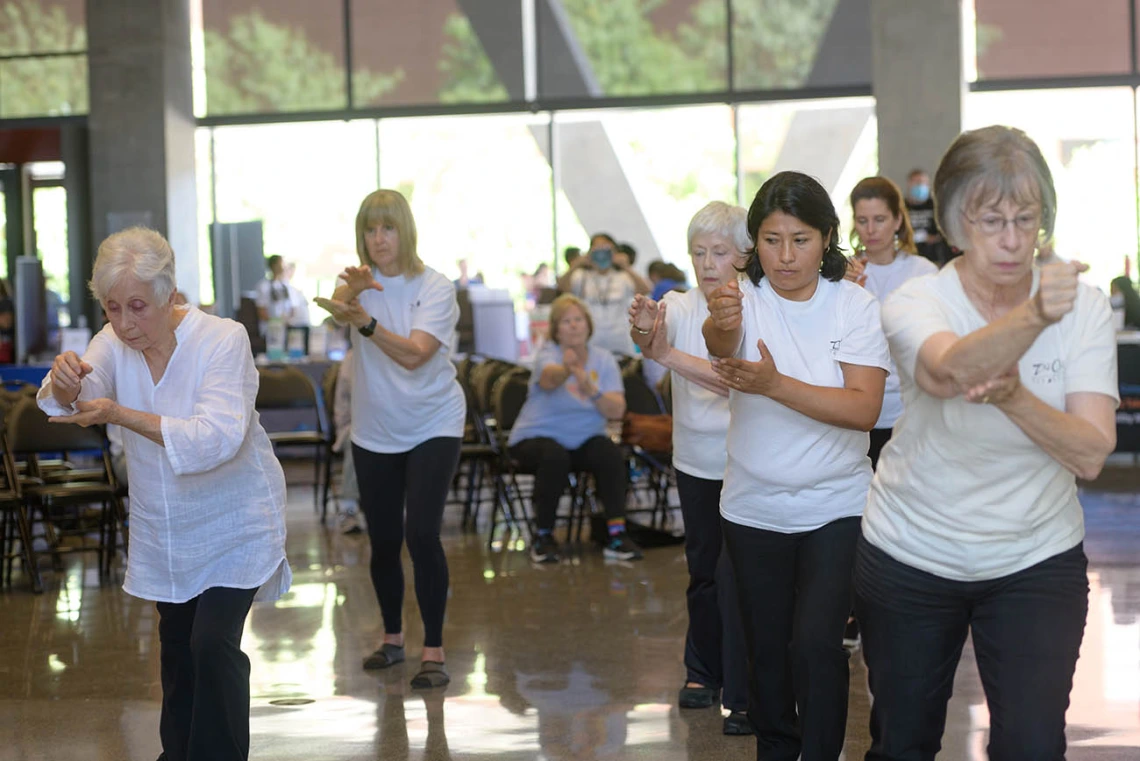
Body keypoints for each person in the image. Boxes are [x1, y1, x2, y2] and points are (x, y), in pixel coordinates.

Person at [855, 126, 1118, 760]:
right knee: (904, 743)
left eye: (1024, 220)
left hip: (1035, 554)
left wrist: (1014, 398)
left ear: (1043, 223)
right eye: (990, 220)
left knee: (1031, 746)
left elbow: (1088, 452)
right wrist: (1033, 316)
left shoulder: (1082, 307)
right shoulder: (919, 299)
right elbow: (948, 372)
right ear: (951, 223)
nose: (1009, 240)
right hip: (911, 552)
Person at [37, 227, 291, 761]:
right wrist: (64, 383)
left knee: (211, 644)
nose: (125, 324)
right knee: (178, 651)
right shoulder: (112, 342)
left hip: (237, 519)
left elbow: (217, 437)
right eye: (112, 308)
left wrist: (120, 414)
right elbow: (81, 391)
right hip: (168, 527)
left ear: (169, 294)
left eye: (137, 307)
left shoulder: (223, 339)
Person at [703, 171, 890, 760]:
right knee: (768, 655)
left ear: (827, 237)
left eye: (801, 239)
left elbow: (863, 409)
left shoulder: (854, 304)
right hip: (753, 509)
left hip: (836, 506)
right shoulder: (742, 300)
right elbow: (719, 341)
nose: (785, 256)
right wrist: (723, 321)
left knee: (814, 644)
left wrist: (776, 384)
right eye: (771, 239)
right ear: (753, 242)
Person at [313, 189, 464, 690]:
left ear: (405, 231)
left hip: (433, 423)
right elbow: (335, 314)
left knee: (421, 533)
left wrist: (367, 322)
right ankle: (393, 638)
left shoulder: (435, 286)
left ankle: (434, 648)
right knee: (383, 541)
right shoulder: (357, 284)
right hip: (375, 429)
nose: (378, 239)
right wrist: (351, 298)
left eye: (387, 228)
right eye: (370, 230)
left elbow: (417, 353)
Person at [627, 201, 753, 735]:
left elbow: (733, 377)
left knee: (740, 574)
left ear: (744, 256)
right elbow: (650, 337)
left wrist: (661, 353)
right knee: (703, 571)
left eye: (719, 252)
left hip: (748, 461)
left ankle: (747, 691)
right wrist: (641, 330)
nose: (707, 263)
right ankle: (702, 671)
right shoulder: (677, 305)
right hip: (696, 461)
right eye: (698, 253)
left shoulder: (760, 305)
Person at [507, 294, 643, 563]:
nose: (573, 326)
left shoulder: (603, 360)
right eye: (566, 321)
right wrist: (568, 369)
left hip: (583, 439)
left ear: (588, 325)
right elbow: (548, 380)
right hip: (536, 438)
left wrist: (589, 386)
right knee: (554, 456)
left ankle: (616, 534)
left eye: (578, 320)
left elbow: (616, 410)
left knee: (608, 452)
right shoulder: (548, 355)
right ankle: (543, 536)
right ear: (556, 329)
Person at [846, 176, 938, 468]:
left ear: (898, 220)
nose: (870, 230)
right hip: (857, 409)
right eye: (862, 220)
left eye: (880, 219)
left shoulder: (921, 271)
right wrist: (845, 294)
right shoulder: (844, 274)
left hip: (909, 409)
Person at [557, 233, 651, 355]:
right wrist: (576, 264)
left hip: (620, 341)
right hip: (591, 342)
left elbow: (645, 289)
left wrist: (626, 266)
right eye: (597, 248)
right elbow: (562, 287)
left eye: (606, 248)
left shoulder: (623, 276)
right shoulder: (581, 276)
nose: (601, 253)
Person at [332, 347, 361, 535]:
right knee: (357, 438)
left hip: (392, 425)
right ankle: (348, 509)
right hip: (354, 423)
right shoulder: (353, 358)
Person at [254, 254, 294, 326]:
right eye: (281, 263)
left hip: (286, 326)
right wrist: (277, 321)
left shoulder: (285, 285)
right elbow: (261, 311)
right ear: (273, 266)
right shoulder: (263, 286)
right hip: (270, 327)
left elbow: (291, 307)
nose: (283, 267)